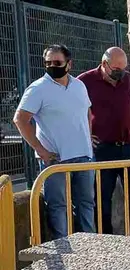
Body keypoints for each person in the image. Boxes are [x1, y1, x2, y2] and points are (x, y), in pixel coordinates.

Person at [12, 44, 95, 238]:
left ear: (69, 64)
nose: (52, 66)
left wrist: (87, 137)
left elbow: (87, 112)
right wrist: (40, 150)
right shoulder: (38, 88)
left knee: (86, 203)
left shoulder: (79, 86)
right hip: (55, 159)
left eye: (57, 62)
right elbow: (20, 119)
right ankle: (63, 247)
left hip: (83, 157)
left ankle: (89, 244)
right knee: (58, 206)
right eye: (48, 63)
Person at [78, 47, 130, 236]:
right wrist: (85, 135)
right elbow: (74, 112)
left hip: (129, 148)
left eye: (124, 68)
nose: (121, 72)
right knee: (102, 199)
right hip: (102, 149)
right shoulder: (84, 82)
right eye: (116, 68)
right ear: (104, 64)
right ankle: (106, 239)